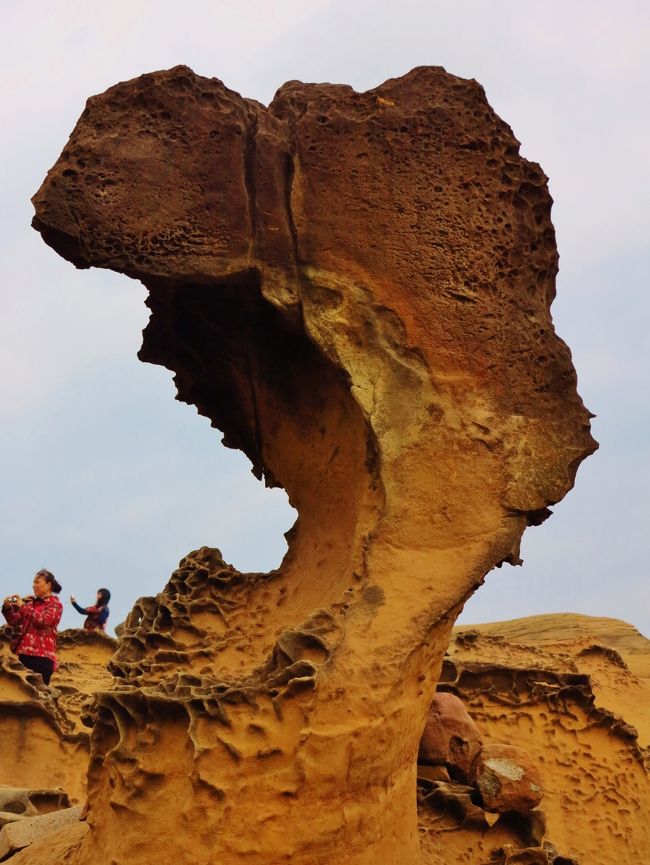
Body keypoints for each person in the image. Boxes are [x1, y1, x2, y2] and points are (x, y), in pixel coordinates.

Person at [2, 569, 63, 685]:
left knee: (41, 697)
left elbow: (44, 621)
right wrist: (7, 608)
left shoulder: (56, 604)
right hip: (25, 655)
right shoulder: (30, 604)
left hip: (43, 658)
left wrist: (22, 606)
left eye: (37, 582)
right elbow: (14, 621)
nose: (33, 585)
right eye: (33, 583)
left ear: (48, 584)